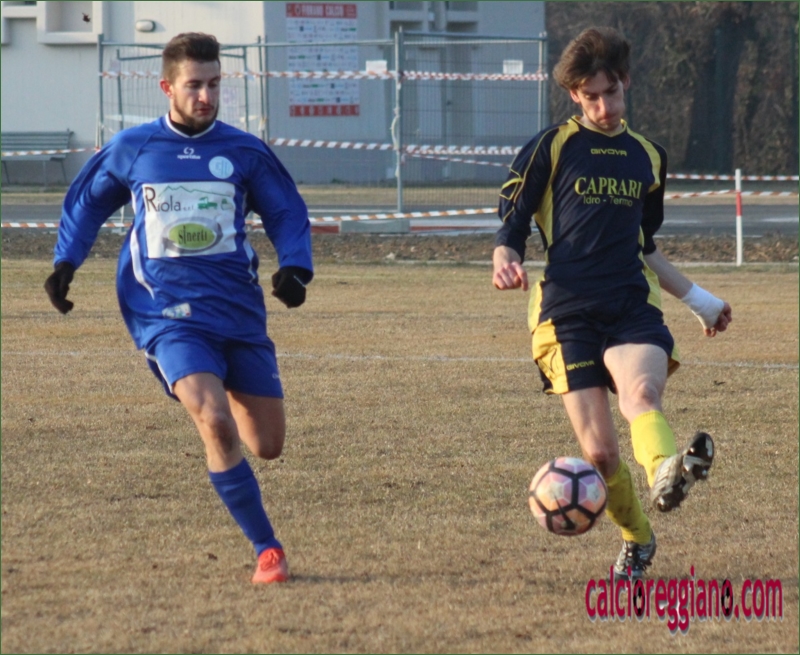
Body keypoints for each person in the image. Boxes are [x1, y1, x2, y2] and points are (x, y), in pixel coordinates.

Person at [44, 32, 313, 585]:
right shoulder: (135, 147)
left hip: (236, 311)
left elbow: (285, 210)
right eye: (194, 85)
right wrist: (65, 262)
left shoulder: (243, 151)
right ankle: (268, 550)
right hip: (163, 310)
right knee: (214, 420)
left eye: (214, 84)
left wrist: (295, 266)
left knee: (267, 445)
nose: (206, 96)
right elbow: (87, 204)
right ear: (167, 87)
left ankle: (219, 382)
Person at [492, 27, 732, 580]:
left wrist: (700, 301)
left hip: (630, 304)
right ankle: (638, 538)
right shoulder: (552, 146)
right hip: (567, 313)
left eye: (612, 93)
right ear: (574, 94)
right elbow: (513, 224)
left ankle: (666, 471)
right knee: (600, 455)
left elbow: (644, 246)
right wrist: (505, 258)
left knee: (642, 395)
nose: (604, 107)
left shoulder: (648, 156)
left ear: (625, 82)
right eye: (591, 97)